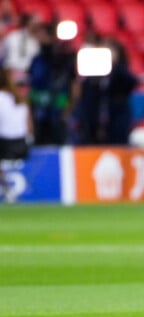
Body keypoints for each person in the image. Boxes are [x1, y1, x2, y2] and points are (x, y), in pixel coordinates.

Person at [28, 23, 76, 145]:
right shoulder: (36, 60)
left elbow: (74, 85)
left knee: (59, 146)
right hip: (39, 112)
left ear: (51, 37)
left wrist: (68, 110)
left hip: (59, 109)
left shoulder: (66, 59)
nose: (39, 39)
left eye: (42, 35)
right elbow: (31, 86)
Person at [0, 67, 32, 203]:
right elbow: (29, 126)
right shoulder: (20, 99)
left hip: (6, 146)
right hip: (23, 145)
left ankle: (7, 189)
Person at [103, 39, 138, 145]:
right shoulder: (101, 69)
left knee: (119, 139)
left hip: (119, 109)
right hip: (105, 110)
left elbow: (132, 81)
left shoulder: (120, 68)